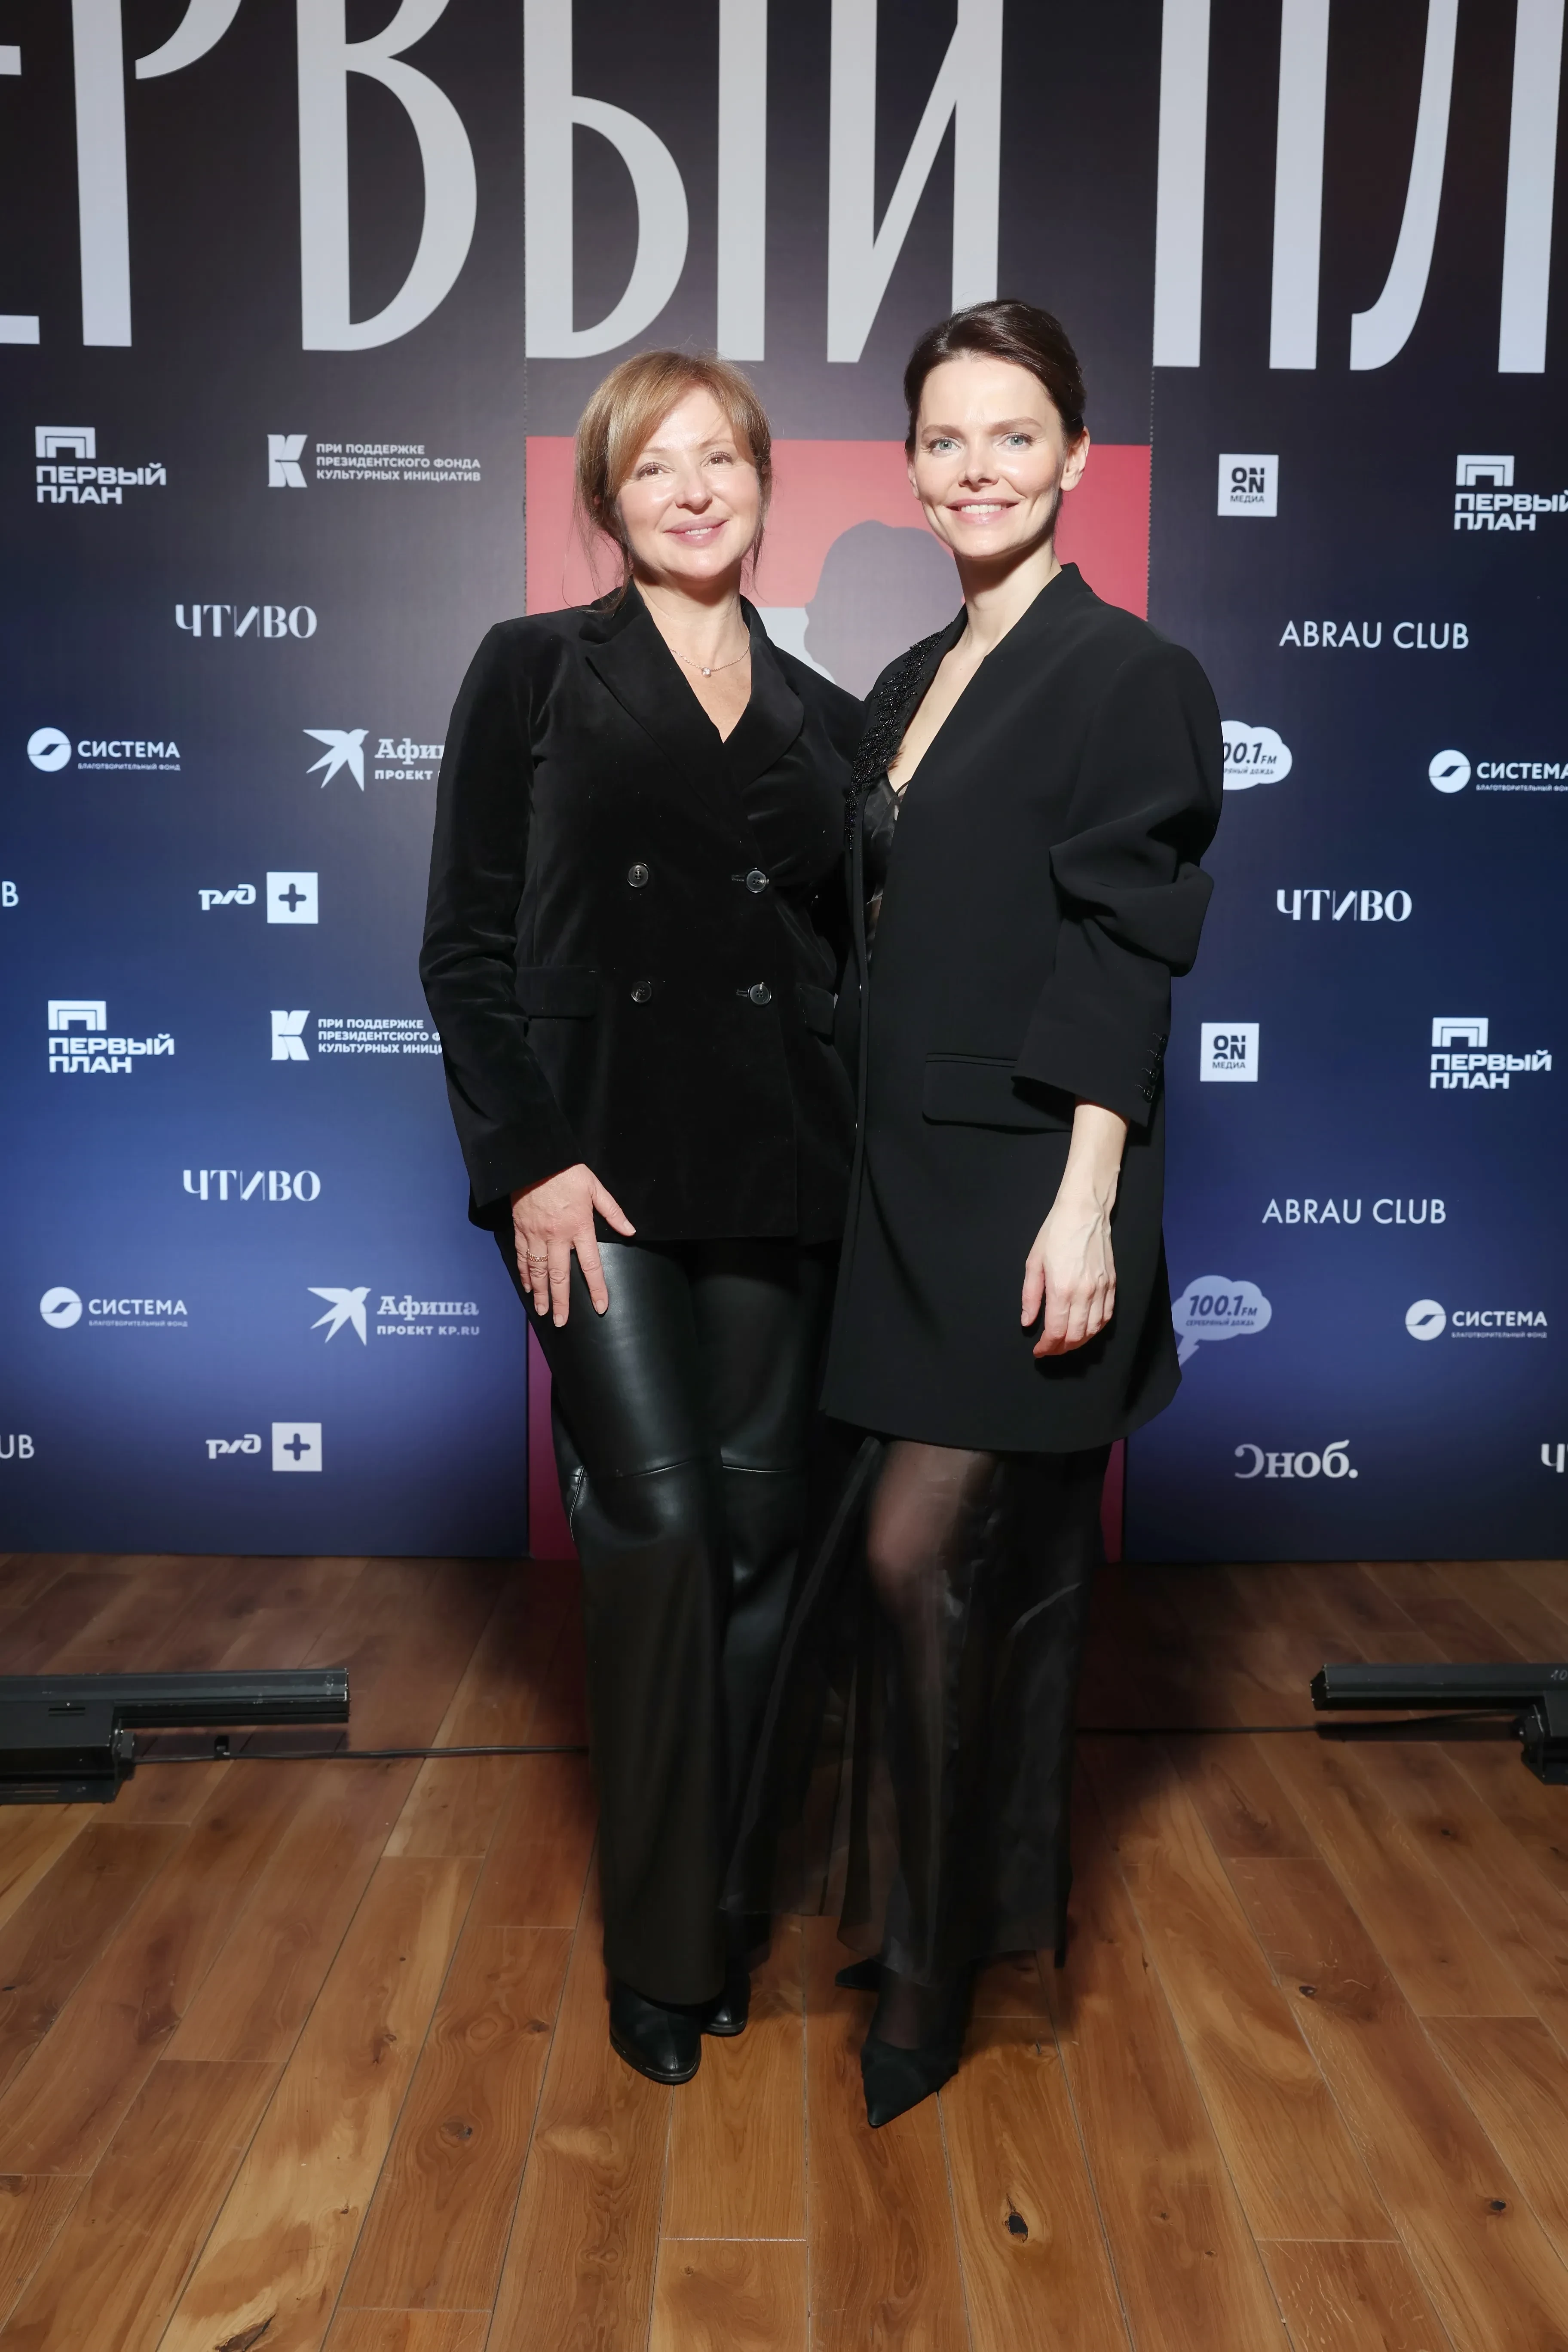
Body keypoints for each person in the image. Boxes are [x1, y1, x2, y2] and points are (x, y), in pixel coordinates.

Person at [732, 300, 1222, 2127]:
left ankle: (940, 1976)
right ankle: (910, 1924)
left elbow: (1123, 956)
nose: (978, 469)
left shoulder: (1132, 674)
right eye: (945, 439)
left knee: (920, 1559)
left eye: (1015, 435)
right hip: (897, 1193)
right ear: (911, 466)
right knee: (918, 1586)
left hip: (1028, 1190)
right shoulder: (908, 677)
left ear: (1077, 455)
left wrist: (1089, 1205)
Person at [420, 351, 862, 2087]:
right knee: (664, 1528)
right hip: (593, 1175)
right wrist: (527, 1156)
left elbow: (853, 971)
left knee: (760, 1545)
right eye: (656, 463)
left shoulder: (828, 714)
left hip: (781, 1174)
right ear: (607, 497)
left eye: (722, 457)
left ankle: (727, 1901)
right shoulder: (533, 669)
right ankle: (661, 1955)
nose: (694, 488)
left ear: (764, 483)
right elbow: (464, 947)